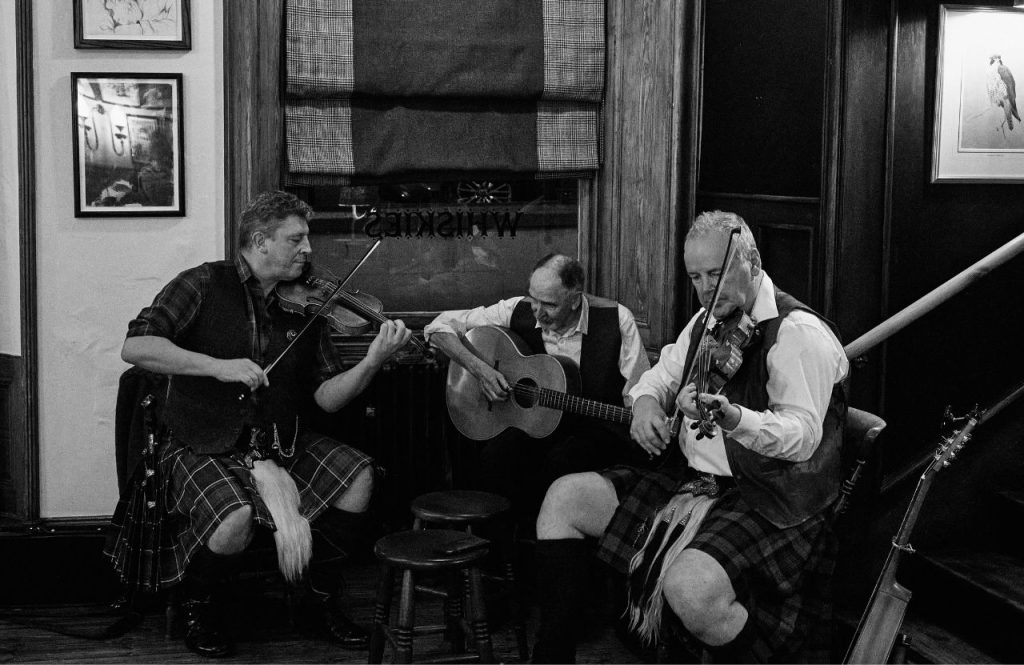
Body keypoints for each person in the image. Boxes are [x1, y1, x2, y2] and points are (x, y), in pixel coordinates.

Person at [531, 211, 849, 663]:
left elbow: (802, 437)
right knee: (564, 499)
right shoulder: (707, 319)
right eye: (695, 276)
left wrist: (737, 418)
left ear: (752, 261)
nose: (704, 288)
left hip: (767, 497)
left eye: (715, 274)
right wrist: (643, 405)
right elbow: (658, 378)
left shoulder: (797, 333)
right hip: (693, 481)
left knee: (691, 587)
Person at [116, 190, 411, 658]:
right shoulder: (202, 284)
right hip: (203, 442)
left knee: (359, 479)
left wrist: (373, 361)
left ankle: (315, 598)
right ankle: (200, 604)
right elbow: (137, 347)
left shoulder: (309, 306)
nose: (308, 250)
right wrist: (217, 366)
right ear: (260, 241)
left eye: (307, 240)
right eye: (296, 240)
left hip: (280, 443)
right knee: (233, 519)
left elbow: (327, 400)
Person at [424, 254, 651, 527]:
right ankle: (498, 552)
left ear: (576, 299)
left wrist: (645, 417)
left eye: (550, 305)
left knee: (562, 461)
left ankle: (541, 548)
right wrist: (479, 370)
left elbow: (639, 392)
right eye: (533, 299)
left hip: (593, 427)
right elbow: (438, 327)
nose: (538, 312)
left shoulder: (616, 318)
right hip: (533, 425)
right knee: (496, 458)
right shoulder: (515, 309)